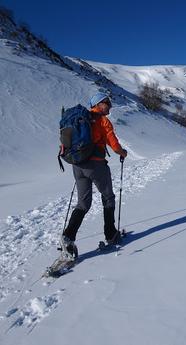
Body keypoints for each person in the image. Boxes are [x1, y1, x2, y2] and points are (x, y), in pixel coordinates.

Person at [60, 92, 128, 259]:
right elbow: (114, 144)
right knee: (108, 197)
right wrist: (123, 153)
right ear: (98, 104)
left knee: (83, 203)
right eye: (107, 103)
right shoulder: (103, 121)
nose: (110, 106)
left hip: (78, 166)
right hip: (96, 165)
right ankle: (111, 234)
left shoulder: (81, 119)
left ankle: (68, 237)